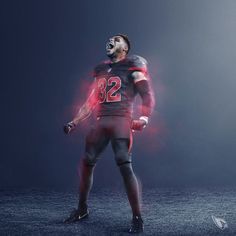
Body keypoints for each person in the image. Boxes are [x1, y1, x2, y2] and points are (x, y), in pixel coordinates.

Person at [63, 34, 155, 233]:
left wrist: (145, 118)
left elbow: (146, 93)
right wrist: (74, 122)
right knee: (87, 161)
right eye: (110, 38)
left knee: (124, 163)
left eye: (116, 39)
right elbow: (90, 102)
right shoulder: (102, 70)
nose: (110, 40)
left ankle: (137, 217)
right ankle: (82, 209)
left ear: (125, 48)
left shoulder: (133, 64)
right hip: (101, 121)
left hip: (121, 120)